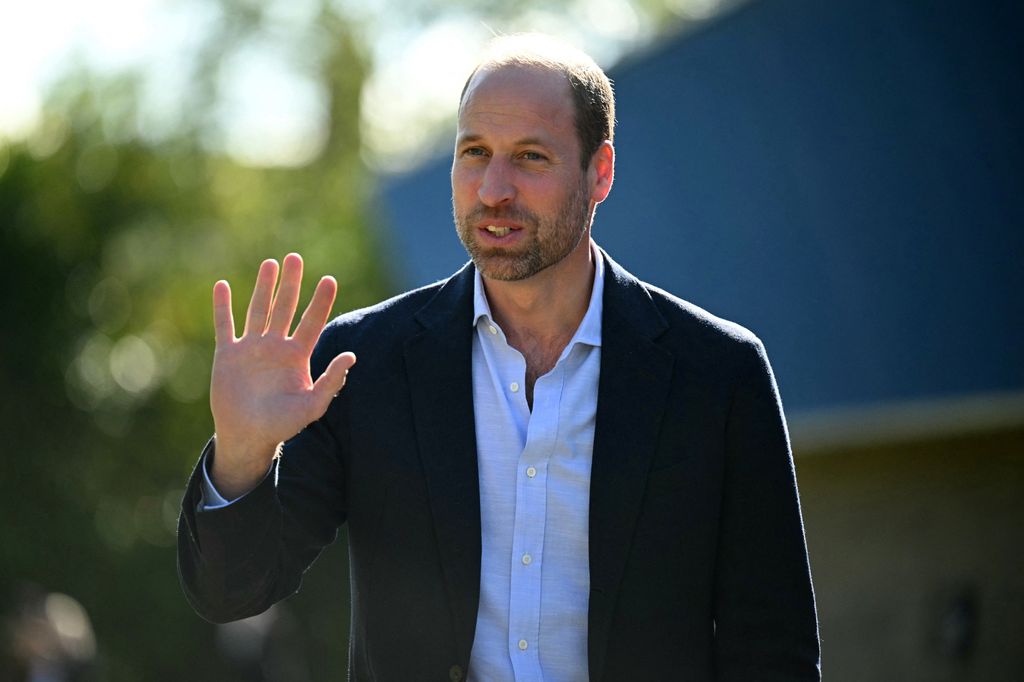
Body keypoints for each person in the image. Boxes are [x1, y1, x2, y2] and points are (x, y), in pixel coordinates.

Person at [178, 34, 820, 681]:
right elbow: (234, 594)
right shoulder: (363, 363)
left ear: (600, 172)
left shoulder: (717, 374)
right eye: (474, 153)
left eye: (530, 157)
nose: (493, 189)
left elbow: (773, 652)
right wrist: (242, 455)